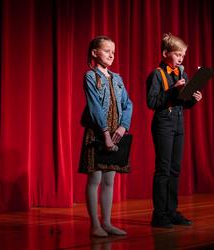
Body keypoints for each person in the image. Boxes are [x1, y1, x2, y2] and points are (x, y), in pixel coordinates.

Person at [146, 33, 202, 228]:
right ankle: (159, 214)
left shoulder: (182, 74)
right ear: (165, 53)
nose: (180, 58)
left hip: (178, 122)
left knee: (175, 169)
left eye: (183, 55)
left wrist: (193, 98)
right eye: (177, 54)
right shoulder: (157, 74)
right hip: (163, 123)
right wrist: (171, 89)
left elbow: (183, 104)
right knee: (163, 169)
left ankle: (171, 211)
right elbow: (151, 102)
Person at [79, 36, 133, 237]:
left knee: (110, 179)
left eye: (113, 51)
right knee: (95, 178)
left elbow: (128, 103)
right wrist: (105, 135)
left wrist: (122, 127)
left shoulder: (117, 78)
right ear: (95, 53)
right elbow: (94, 107)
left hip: (115, 132)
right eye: (107, 50)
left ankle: (108, 223)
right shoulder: (91, 76)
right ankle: (95, 225)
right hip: (98, 133)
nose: (111, 55)